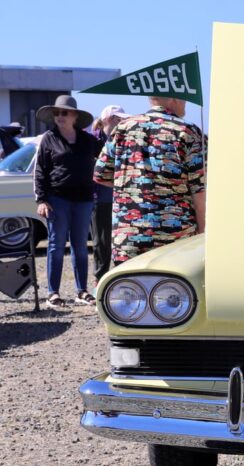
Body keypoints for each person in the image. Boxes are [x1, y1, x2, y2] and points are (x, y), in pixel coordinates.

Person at [94, 96, 205, 265]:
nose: (186, 104)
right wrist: (203, 234)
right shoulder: (187, 131)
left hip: (128, 235)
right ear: (173, 98)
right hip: (175, 237)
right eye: (184, 99)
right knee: (173, 289)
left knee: (128, 288)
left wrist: (134, 187)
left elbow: (100, 175)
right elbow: (200, 191)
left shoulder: (122, 128)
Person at [34, 95, 100, 308]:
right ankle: (52, 293)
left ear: (74, 116)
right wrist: (41, 199)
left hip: (83, 200)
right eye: (57, 113)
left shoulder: (88, 140)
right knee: (55, 245)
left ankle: (81, 291)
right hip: (57, 199)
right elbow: (40, 171)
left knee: (80, 246)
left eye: (64, 112)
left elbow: (108, 156)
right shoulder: (48, 139)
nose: (59, 116)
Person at [89, 105, 130, 288]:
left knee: (120, 242)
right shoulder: (93, 141)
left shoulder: (122, 139)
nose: (121, 122)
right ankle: (100, 281)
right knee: (101, 243)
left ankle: (117, 281)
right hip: (100, 197)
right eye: (117, 119)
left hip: (120, 198)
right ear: (107, 120)